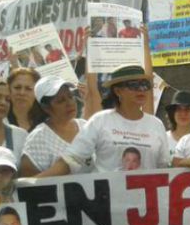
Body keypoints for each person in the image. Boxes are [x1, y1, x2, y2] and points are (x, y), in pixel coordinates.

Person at [37, 65, 170, 175]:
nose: (141, 89)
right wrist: (33, 182)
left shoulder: (157, 125)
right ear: (118, 91)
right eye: (133, 85)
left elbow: (164, 168)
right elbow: (72, 159)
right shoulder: (100, 120)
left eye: (145, 85)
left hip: (145, 197)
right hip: (108, 198)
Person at [19, 76, 94, 176]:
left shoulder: (85, 126)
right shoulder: (38, 138)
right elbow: (28, 181)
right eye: (61, 101)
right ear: (46, 108)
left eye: (70, 96)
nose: (70, 103)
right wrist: (63, 167)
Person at [165, 90, 190, 161]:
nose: (183, 113)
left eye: (188, 109)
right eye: (179, 109)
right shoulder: (163, 138)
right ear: (172, 113)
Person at [7, 68, 46, 132]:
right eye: (17, 87)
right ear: (8, 89)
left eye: (28, 88)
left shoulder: (47, 116)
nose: (22, 93)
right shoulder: (0, 118)